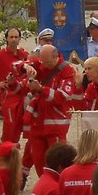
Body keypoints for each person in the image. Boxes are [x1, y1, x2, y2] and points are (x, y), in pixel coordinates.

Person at [24, 45, 80, 175]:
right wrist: (26, 67)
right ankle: (46, 186)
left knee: (58, 162)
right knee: (39, 161)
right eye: (42, 61)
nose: (44, 65)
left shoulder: (67, 70)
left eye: (47, 62)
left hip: (56, 125)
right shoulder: (42, 64)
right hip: (38, 124)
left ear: (56, 57)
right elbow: (17, 66)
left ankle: (59, 187)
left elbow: (62, 97)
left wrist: (40, 89)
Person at [0, 28, 31, 148]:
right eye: (11, 37)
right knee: (9, 127)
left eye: (16, 37)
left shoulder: (24, 54)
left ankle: (13, 151)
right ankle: (2, 152)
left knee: (18, 126)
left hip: (22, 95)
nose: (13, 39)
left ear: (19, 39)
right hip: (8, 97)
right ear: (6, 38)